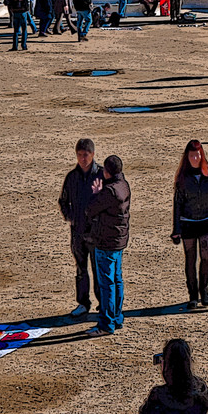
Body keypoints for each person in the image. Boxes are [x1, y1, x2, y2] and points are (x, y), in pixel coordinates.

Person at [171, 140, 208, 309]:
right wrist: (176, 229)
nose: (195, 157)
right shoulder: (183, 176)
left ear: (202, 155)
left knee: (207, 256)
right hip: (187, 223)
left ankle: (205, 289)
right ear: (187, 157)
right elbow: (177, 204)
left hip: (205, 221)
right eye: (192, 155)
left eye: (198, 154)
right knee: (191, 260)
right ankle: (193, 295)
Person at [84, 154, 132, 336]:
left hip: (106, 242)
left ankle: (106, 324)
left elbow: (90, 209)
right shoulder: (124, 185)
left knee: (107, 284)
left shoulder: (109, 191)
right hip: (119, 240)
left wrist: (96, 192)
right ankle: (116, 317)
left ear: (108, 171)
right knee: (117, 280)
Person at [58, 139, 104, 316]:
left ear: (92, 154)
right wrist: (71, 217)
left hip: (95, 232)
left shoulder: (100, 175)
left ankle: (102, 304)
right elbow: (63, 201)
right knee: (81, 269)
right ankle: (83, 303)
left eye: (85, 155)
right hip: (77, 232)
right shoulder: (72, 177)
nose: (82, 158)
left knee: (98, 269)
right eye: (79, 155)